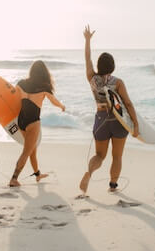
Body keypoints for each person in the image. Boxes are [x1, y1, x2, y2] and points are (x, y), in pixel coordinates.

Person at [79, 25, 139, 194]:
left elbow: (87, 58)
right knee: (117, 156)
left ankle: (89, 173)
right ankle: (113, 186)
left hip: (100, 119)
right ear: (113, 66)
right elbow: (127, 103)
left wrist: (88, 40)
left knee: (100, 156)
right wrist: (135, 123)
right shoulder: (118, 82)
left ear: (99, 65)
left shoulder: (92, 78)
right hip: (118, 120)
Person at [9, 60, 66, 187]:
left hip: (21, 121)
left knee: (32, 150)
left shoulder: (21, 83)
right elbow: (54, 101)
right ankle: (14, 178)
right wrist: (62, 106)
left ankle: (37, 174)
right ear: (44, 73)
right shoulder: (44, 86)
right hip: (33, 122)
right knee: (26, 151)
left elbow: (12, 97)